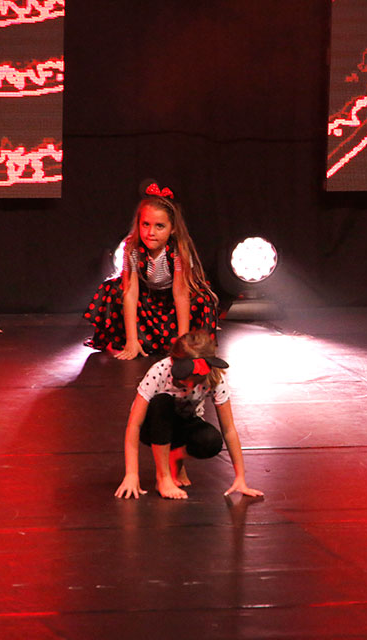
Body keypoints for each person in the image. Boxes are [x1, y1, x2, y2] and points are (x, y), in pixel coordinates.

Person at [114, 330, 263, 499]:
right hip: (153, 427)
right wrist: (131, 474)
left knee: (211, 441)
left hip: (184, 426)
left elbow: (229, 430)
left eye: (197, 380)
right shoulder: (160, 371)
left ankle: (174, 457)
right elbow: (134, 425)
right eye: (184, 379)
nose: (190, 386)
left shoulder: (214, 377)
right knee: (163, 402)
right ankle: (163, 478)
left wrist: (240, 477)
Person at [84, 182, 218, 359]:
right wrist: (132, 340)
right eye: (145, 224)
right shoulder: (132, 249)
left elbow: (180, 294)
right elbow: (131, 293)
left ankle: (185, 342)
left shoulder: (178, 252)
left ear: (173, 228)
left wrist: (182, 342)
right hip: (145, 300)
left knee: (203, 299)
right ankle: (134, 341)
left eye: (159, 226)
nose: (151, 232)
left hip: (171, 302)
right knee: (113, 289)